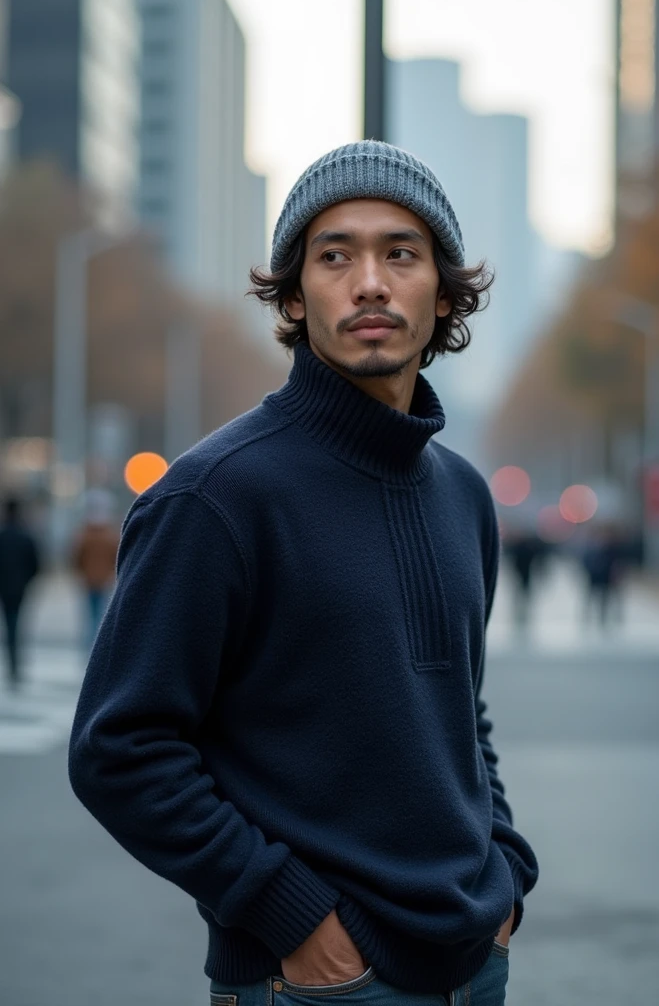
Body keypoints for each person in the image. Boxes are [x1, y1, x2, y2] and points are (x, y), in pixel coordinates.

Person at [69, 141, 538, 1006]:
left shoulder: (465, 496)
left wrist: (504, 868)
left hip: (476, 964)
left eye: (401, 252)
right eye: (335, 255)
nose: (369, 282)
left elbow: (456, 714)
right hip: (318, 983)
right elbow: (119, 750)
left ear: (444, 291)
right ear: (294, 295)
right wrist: (291, 916)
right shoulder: (216, 496)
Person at [0, 496, 40, 691]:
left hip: (4, 587)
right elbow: (35, 564)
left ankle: (12, 664)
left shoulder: (2, 535)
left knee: (9, 624)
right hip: (20, 588)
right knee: (17, 624)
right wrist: (26, 581)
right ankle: (15, 665)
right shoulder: (26, 536)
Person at [70, 489, 120, 646]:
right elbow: (116, 557)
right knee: (102, 615)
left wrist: (81, 573)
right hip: (105, 580)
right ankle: (99, 644)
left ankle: (89, 645)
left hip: (88, 580)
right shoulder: (110, 536)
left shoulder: (84, 536)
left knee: (90, 615)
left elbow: (76, 558)